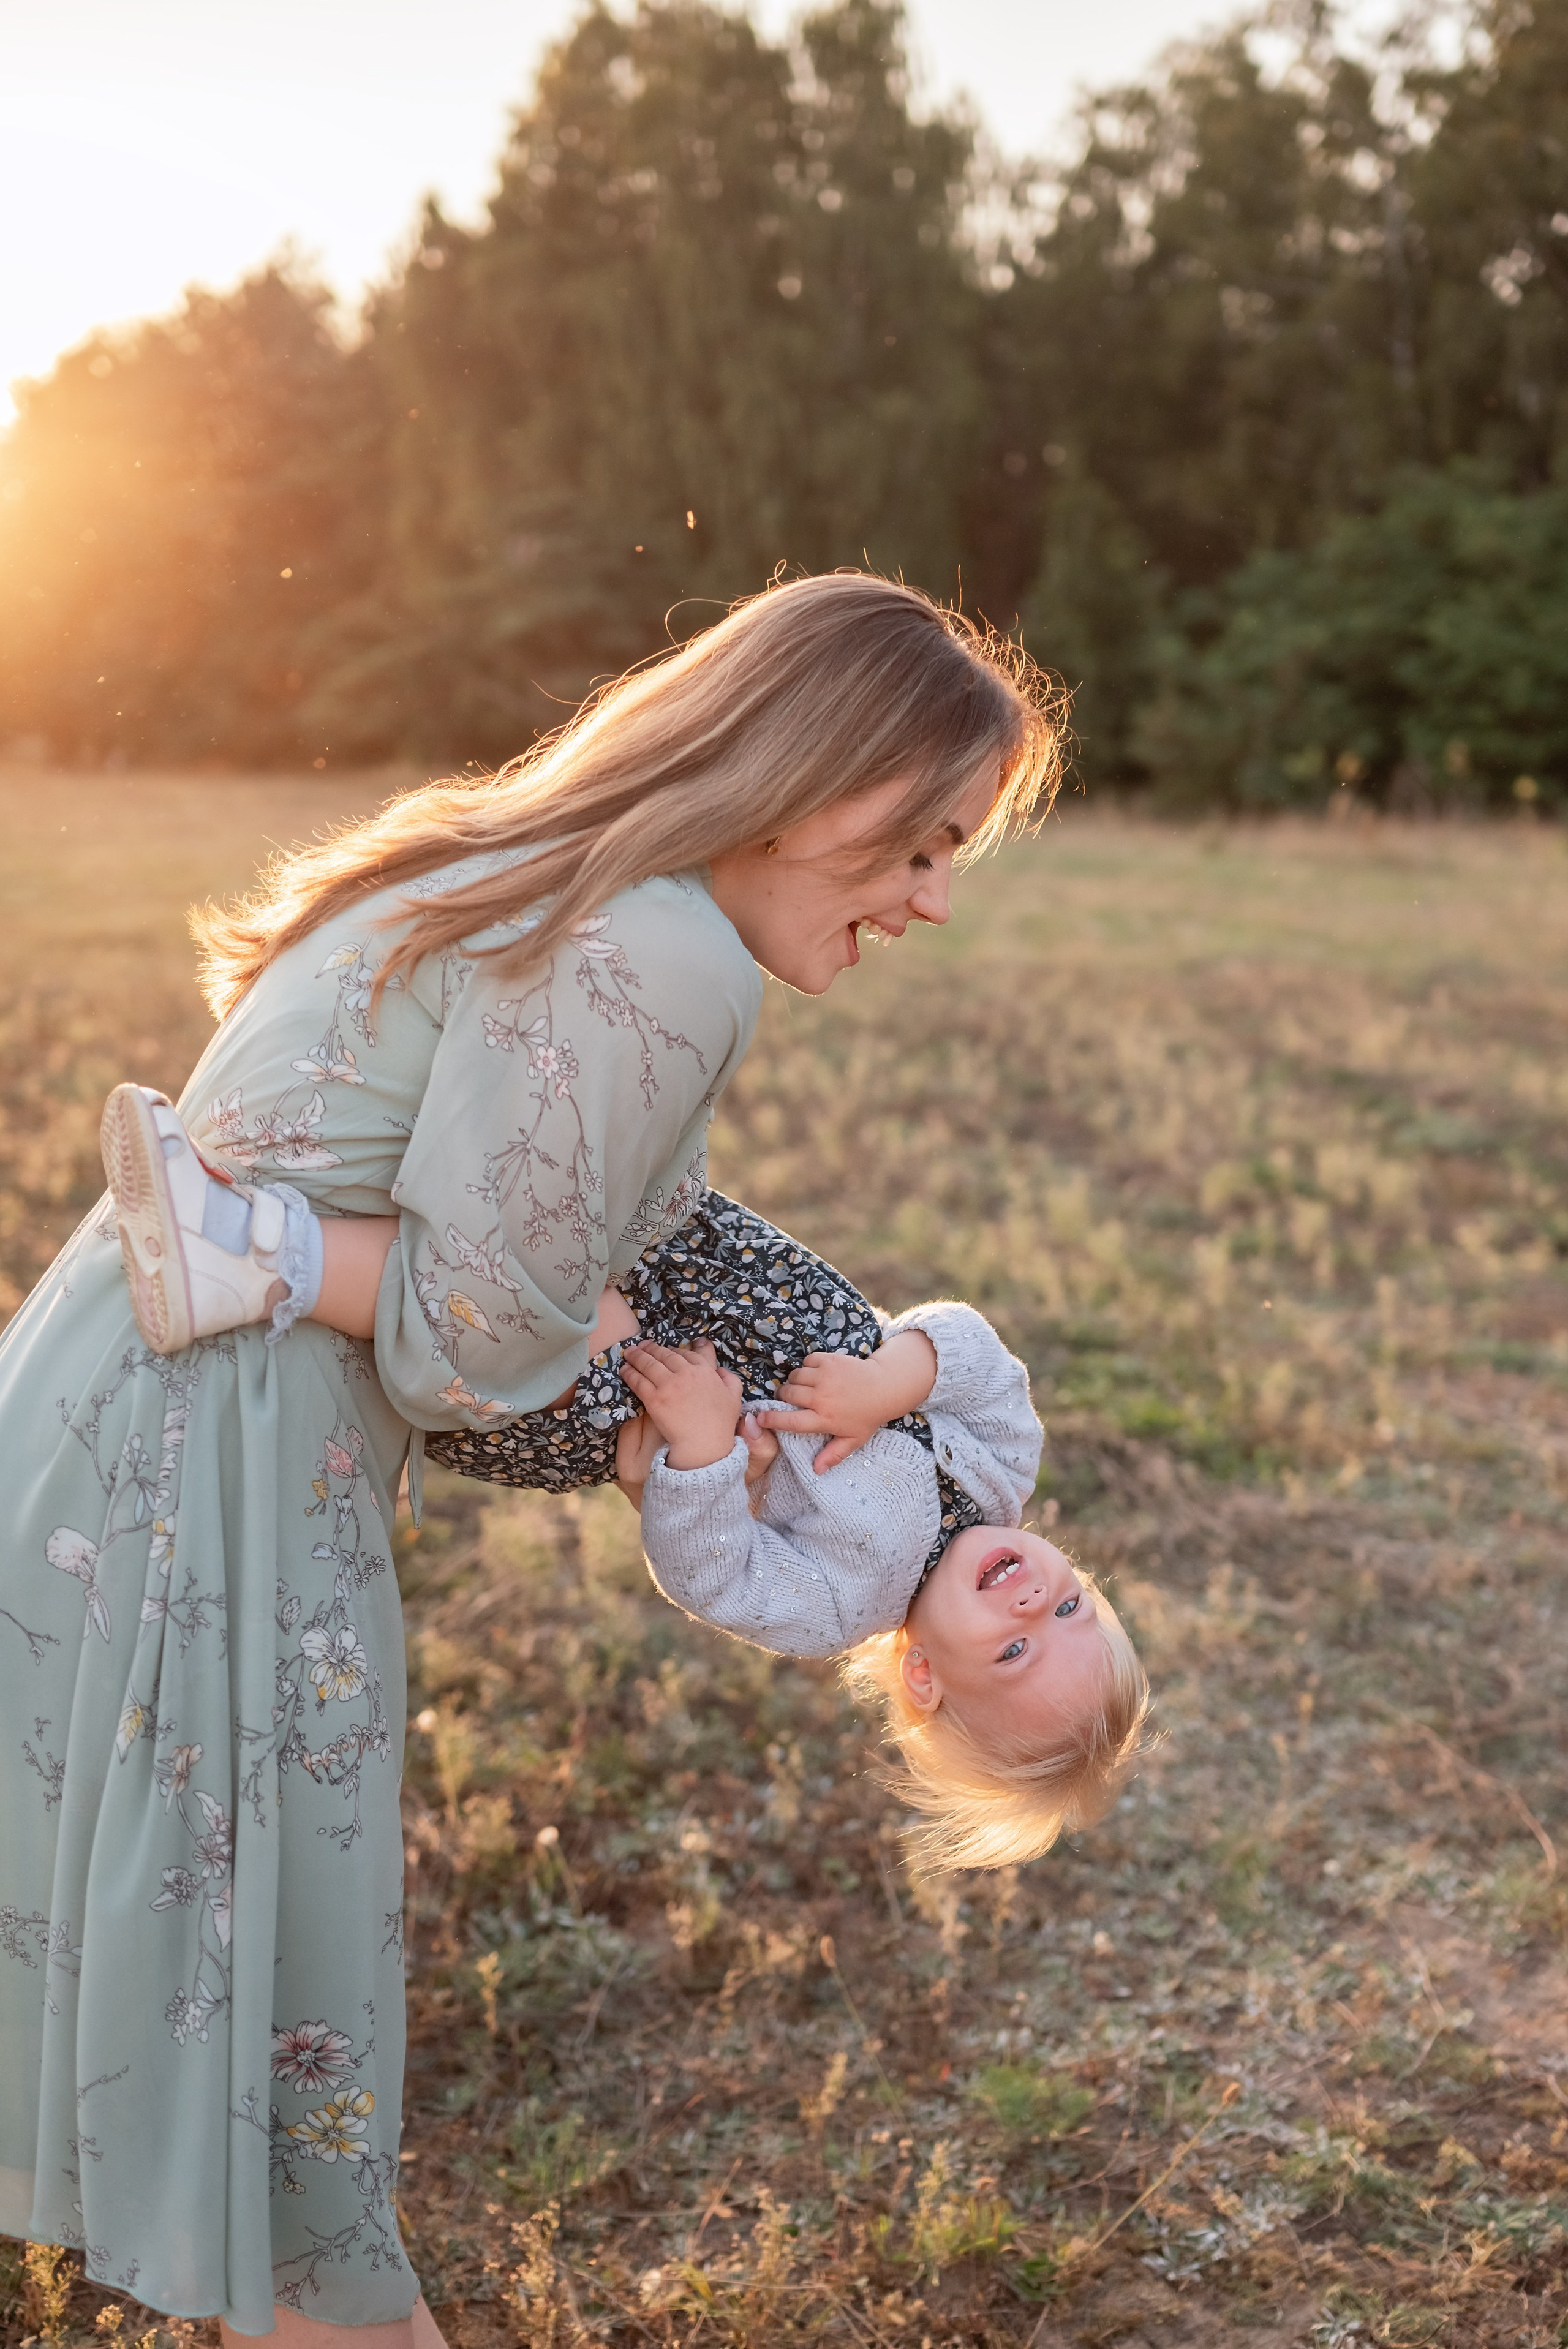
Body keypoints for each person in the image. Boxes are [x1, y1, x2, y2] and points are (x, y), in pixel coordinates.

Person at [0, 573, 1060, 2346]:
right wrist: (620, 1383)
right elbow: (455, 1343)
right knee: (289, 2143)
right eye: (924, 845)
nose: (936, 901)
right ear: (816, 781)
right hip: (220, 1439)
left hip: (123, 1369)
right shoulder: (668, 957)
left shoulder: (557, 866)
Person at [103, 1123, 1147, 1876]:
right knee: (568, 1194)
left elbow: (711, 1572)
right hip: (700, 1267)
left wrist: (698, 1454)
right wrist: (899, 1376)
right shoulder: (1004, 1465)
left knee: (552, 1309)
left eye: (1012, 1650)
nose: (1029, 1604)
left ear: (922, 1676)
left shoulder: (839, 1606)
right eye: (1069, 1610)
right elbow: (983, 1357)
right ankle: (313, 1173)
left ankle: (256, 1258)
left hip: (620, 1395)